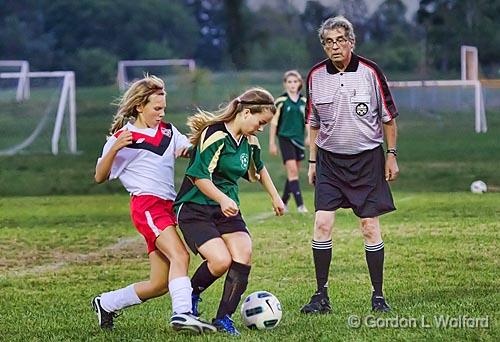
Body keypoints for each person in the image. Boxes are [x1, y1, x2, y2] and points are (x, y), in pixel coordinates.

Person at [91, 75, 215, 333]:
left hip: (166, 208)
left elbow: (190, 150)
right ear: (139, 106)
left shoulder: (168, 131)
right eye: (156, 109)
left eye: (164, 109)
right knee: (180, 255)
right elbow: (99, 176)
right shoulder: (125, 136)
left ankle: (106, 302)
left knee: (159, 284)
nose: (161, 113)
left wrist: (195, 146)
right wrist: (114, 148)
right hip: (147, 206)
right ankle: (183, 314)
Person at [300, 16, 400, 314]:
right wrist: (313, 161)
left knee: (369, 227)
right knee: (322, 223)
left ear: (351, 42)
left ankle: (378, 296)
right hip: (330, 161)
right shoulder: (315, 75)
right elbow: (313, 123)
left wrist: (391, 154)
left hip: (367, 160)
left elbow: (388, 118)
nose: (335, 47)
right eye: (328, 42)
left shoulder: (370, 72)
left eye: (340, 40)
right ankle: (320, 296)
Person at [174, 87, 285, 336]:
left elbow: (260, 168)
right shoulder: (214, 134)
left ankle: (224, 318)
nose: (262, 128)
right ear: (246, 112)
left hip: (225, 208)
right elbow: (198, 177)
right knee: (220, 260)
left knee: (243, 252)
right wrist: (223, 199)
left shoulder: (250, 141)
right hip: (195, 208)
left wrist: (275, 196)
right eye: (261, 122)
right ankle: (190, 295)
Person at [269, 70, 310, 213]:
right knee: (292, 170)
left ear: (300, 83)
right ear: (285, 84)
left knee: (294, 173)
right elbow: (274, 123)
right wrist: (272, 143)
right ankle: (300, 206)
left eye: (295, 81)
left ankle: (283, 202)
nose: (292, 84)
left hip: (298, 139)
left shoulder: (304, 102)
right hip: (285, 138)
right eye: (289, 82)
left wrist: (309, 136)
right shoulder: (280, 101)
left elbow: (307, 121)